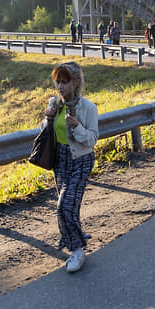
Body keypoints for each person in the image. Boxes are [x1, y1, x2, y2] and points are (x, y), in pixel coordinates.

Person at [43, 62, 100, 273]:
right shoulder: (54, 103)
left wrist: (77, 127)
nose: (60, 87)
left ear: (75, 83)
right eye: (57, 82)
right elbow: (49, 132)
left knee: (64, 206)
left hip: (81, 159)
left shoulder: (88, 108)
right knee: (67, 207)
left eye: (64, 82)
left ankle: (76, 250)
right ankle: (75, 241)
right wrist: (48, 118)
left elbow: (92, 140)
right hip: (60, 159)